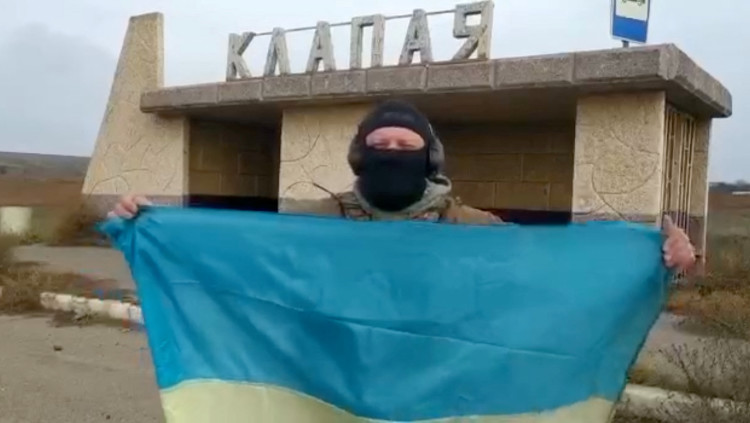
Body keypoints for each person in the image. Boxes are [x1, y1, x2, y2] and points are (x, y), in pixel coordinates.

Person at [110, 100, 696, 272]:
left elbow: (553, 266)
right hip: (330, 387)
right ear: (360, 156)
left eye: (406, 146)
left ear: (429, 158)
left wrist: (657, 255)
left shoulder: (472, 227)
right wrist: (146, 224)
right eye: (380, 145)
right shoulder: (313, 222)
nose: (391, 154)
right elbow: (234, 259)